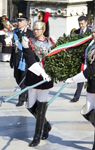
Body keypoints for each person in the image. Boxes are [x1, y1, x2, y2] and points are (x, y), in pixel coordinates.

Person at [65, 9, 95, 150]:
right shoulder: (92, 46)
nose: (93, 34)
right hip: (92, 82)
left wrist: (75, 79)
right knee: (87, 111)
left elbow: (94, 67)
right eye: (92, 32)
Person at [21, 8, 54, 147]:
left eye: (38, 29)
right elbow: (30, 60)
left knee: (41, 107)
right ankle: (46, 124)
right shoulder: (27, 41)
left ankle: (37, 136)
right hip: (34, 77)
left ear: (43, 30)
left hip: (45, 80)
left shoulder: (51, 41)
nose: (35, 31)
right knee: (29, 105)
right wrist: (42, 73)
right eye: (34, 29)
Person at [10, 13, 34, 106]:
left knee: (23, 80)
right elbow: (14, 47)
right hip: (16, 59)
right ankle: (26, 91)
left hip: (25, 60)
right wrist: (12, 60)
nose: (18, 23)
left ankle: (22, 98)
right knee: (17, 77)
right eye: (18, 21)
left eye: (21, 21)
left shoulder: (30, 33)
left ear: (26, 22)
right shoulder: (15, 32)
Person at [71, 16, 91, 103]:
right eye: (79, 24)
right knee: (80, 77)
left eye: (82, 23)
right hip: (79, 59)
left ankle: (91, 95)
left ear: (86, 23)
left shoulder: (90, 32)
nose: (81, 25)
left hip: (88, 58)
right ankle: (77, 96)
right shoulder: (76, 32)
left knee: (90, 78)